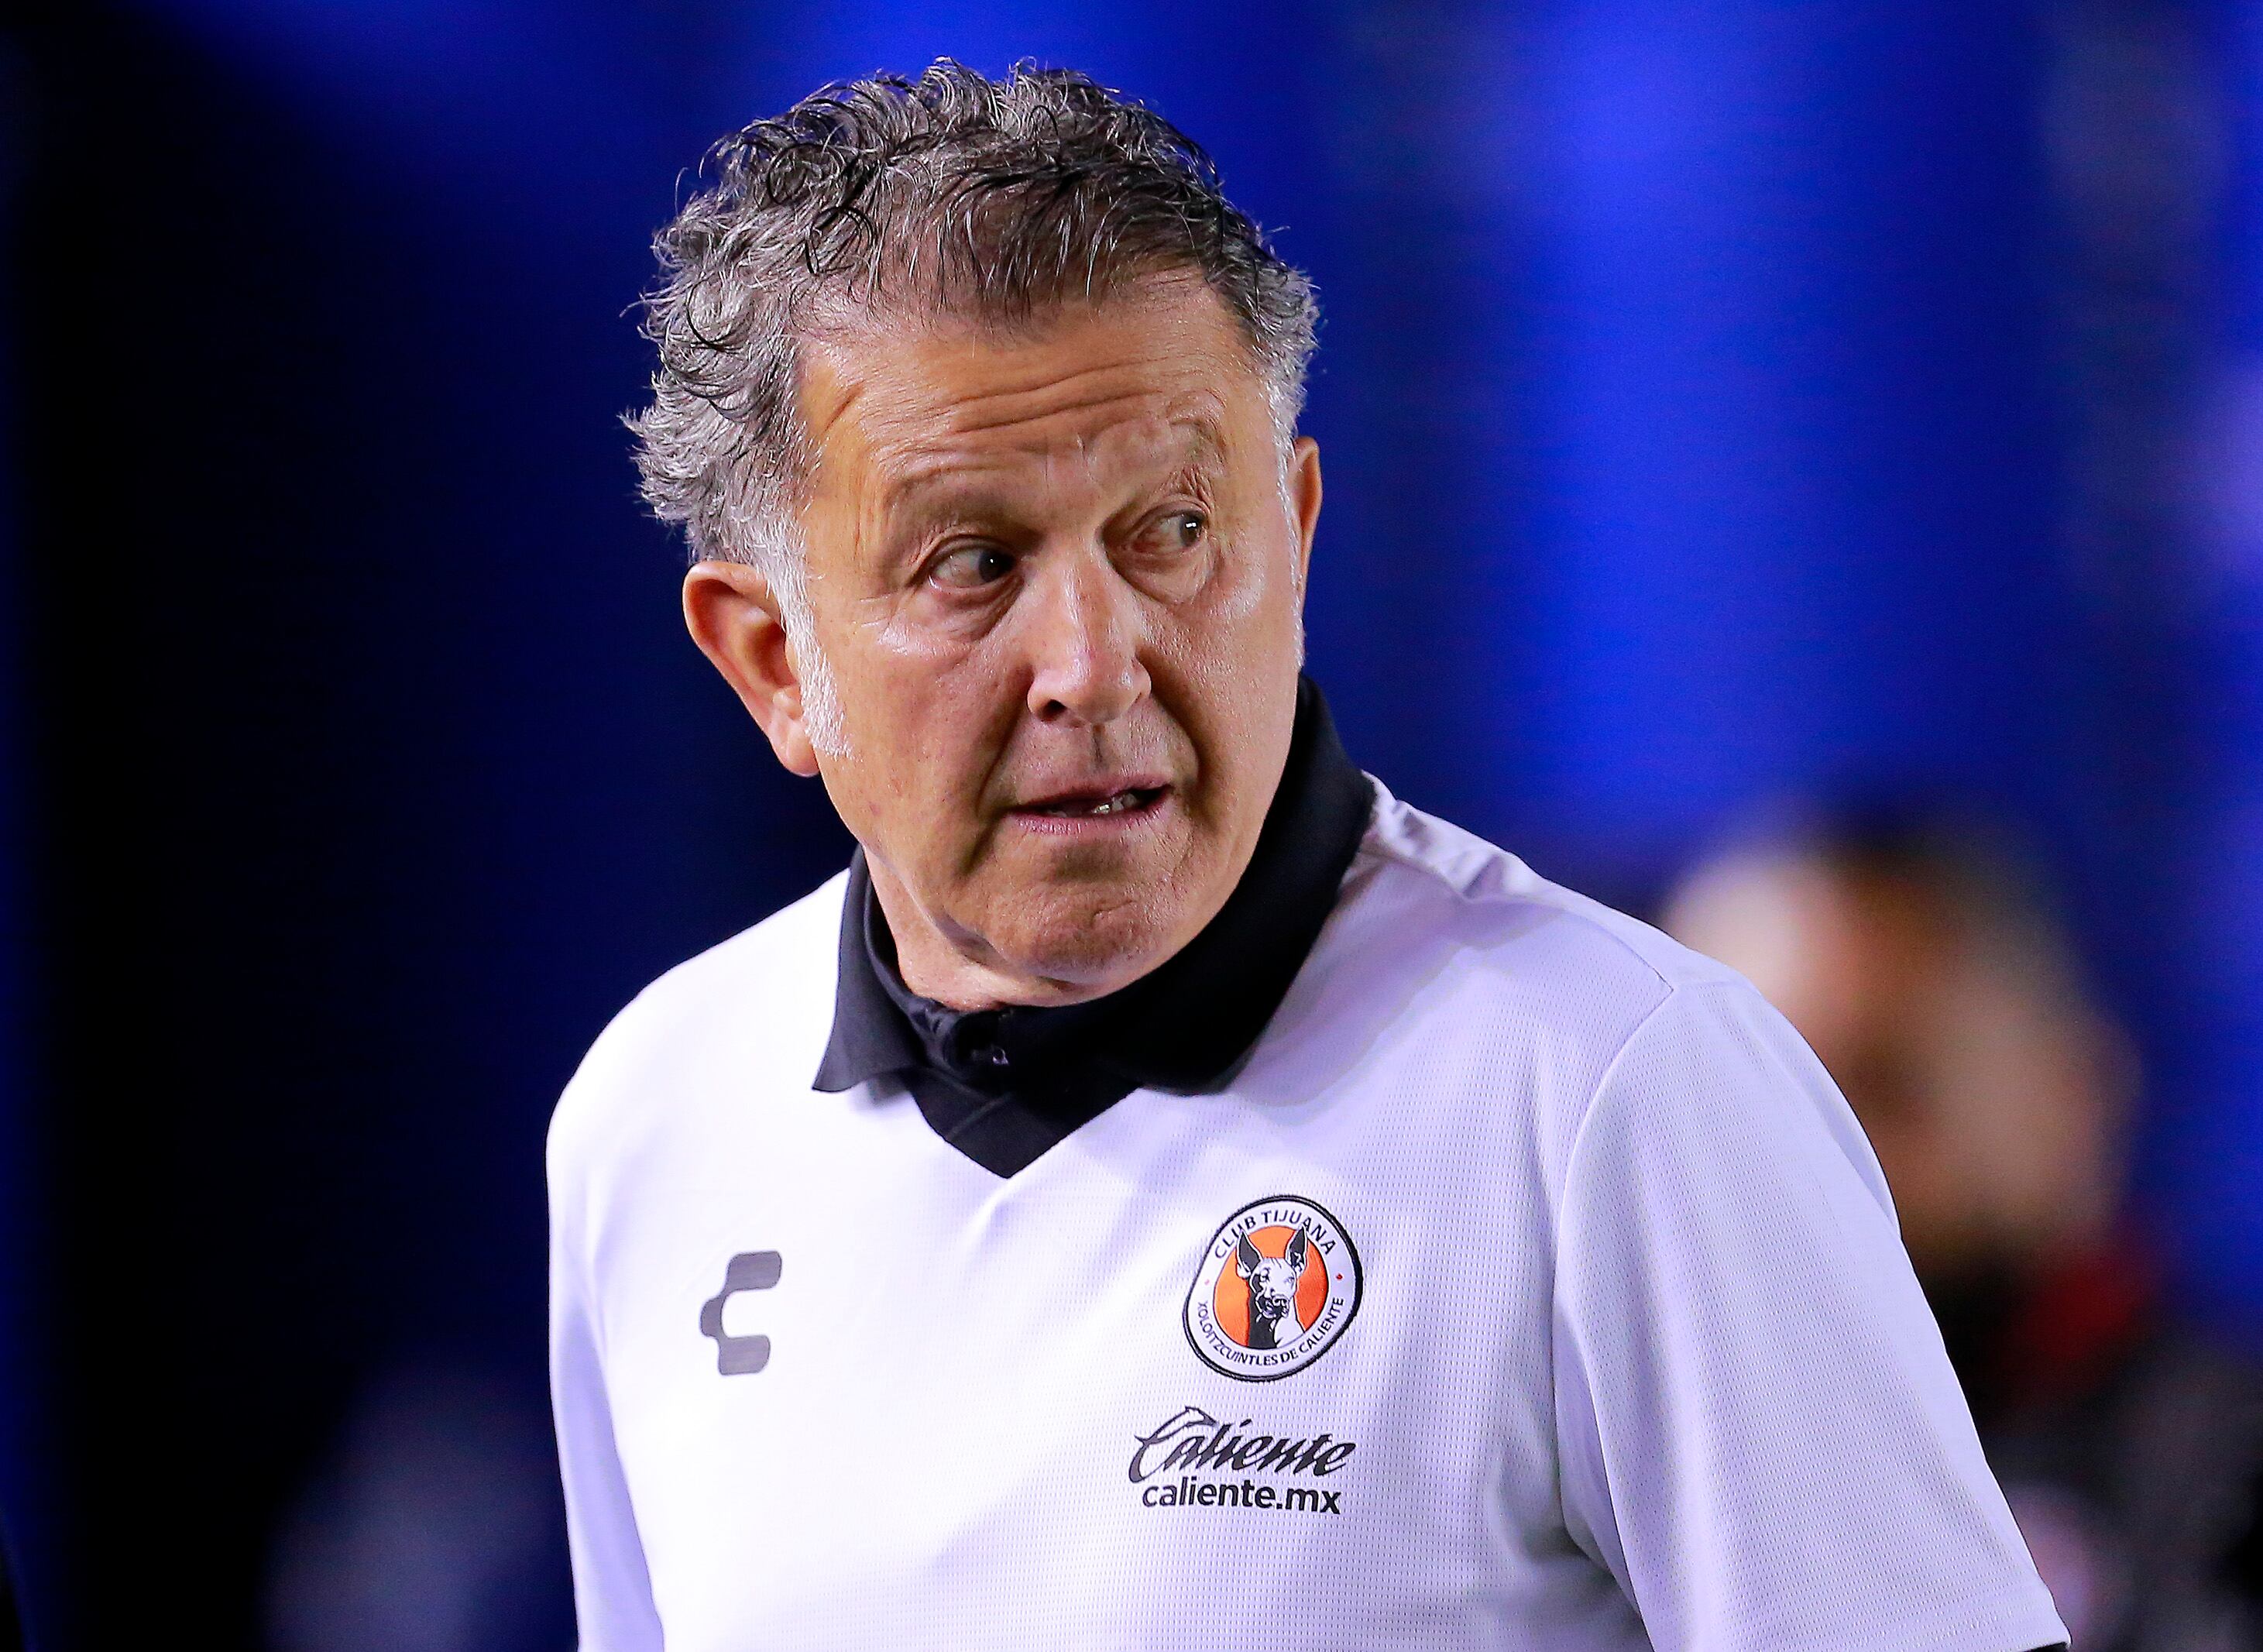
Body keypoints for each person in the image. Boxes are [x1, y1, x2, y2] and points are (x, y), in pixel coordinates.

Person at [548, 62, 2066, 1651]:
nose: (1094, 662)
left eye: (1172, 531)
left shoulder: (1613, 1086)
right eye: (975, 562)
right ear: (773, 661)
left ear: (1296, 532)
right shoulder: (657, 1114)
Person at [1663, 814, 2263, 1652]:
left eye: (1882, 1087)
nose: (1803, 1164)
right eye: (1733, 1110)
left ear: (2074, 1085)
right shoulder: (1643, 1491)